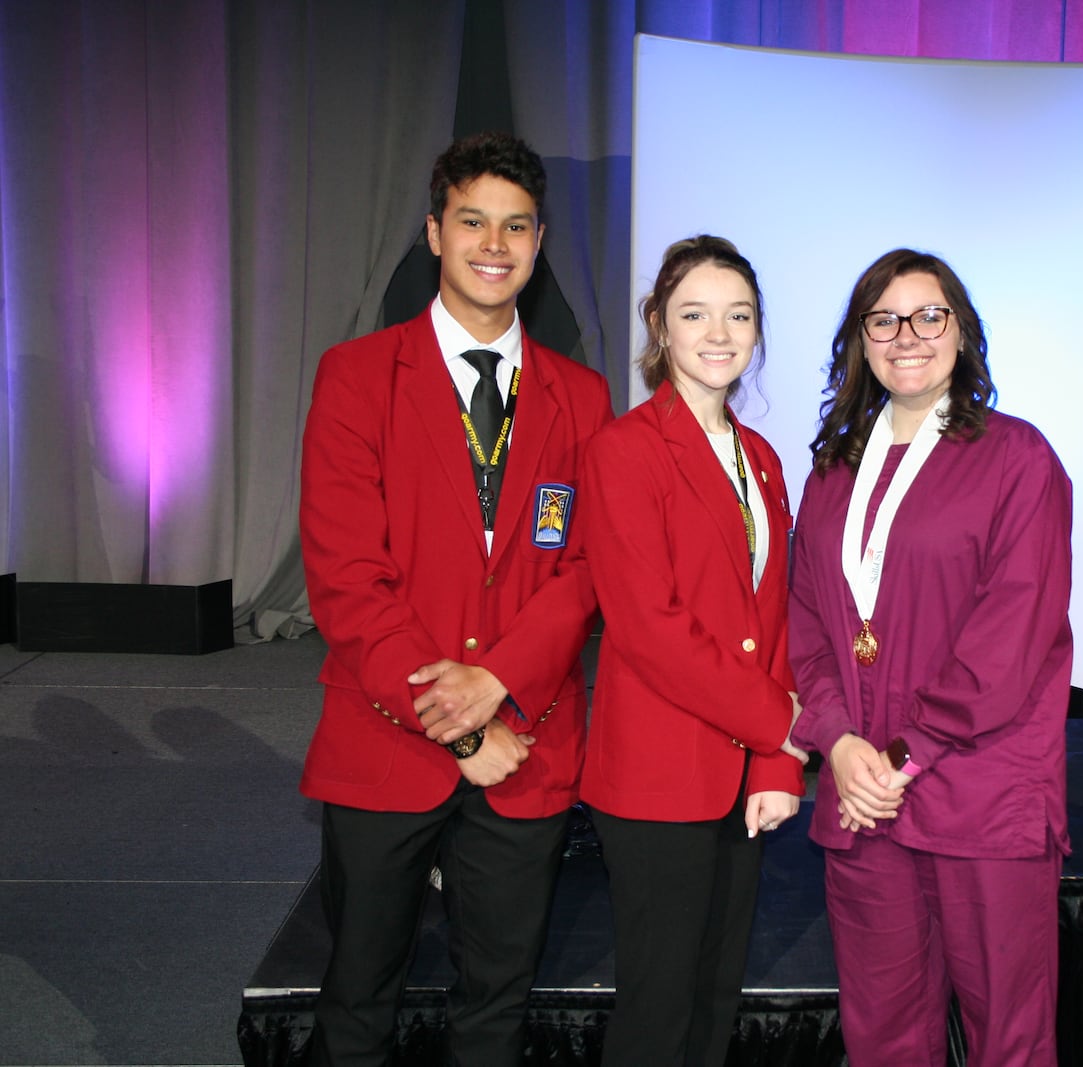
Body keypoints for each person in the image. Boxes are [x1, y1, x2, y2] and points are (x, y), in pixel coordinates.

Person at [298, 131, 613, 1067]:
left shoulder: (583, 398)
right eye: (472, 220)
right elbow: (348, 582)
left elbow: (587, 567)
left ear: (539, 239)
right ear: (435, 232)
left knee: (496, 1013)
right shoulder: (357, 378)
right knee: (357, 1003)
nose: (494, 242)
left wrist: (499, 685)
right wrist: (463, 724)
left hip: (531, 738)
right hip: (387, 738)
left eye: (516, 225)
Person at [787, 248, 1074, 1065]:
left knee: (1008, 1040)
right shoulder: (832, 470)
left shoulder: (1019, 458)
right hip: (864, 802)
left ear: (961, 332)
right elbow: (805, 623)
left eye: (928, 315)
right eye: (884, 318)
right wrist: (839, 743)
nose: (905, 334)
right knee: (882, 1036)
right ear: (860, 340)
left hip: (980, 795)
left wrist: (904, 754)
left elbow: (1012, 635)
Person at [576, 236, 806, 1065]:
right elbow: (650, 628)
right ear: (658, 327)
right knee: (657, 1009)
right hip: (656, 776)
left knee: (715, 1001)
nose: (720, 332)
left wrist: (776, 765)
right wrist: (780, 724)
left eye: (738, 314)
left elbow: (774, 619)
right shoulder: (625, 450)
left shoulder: (766, 460)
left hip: (743, 770)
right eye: (695, 313)